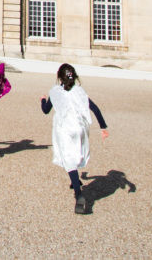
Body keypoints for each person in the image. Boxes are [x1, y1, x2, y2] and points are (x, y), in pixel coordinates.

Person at [41, 63, 109, 214]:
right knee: (75, 155)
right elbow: (95, 108)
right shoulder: (79, 91)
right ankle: (75, 180)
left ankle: (79, 195)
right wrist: (103, 127)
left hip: (65, 128)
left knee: (68, 158)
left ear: (59, 78)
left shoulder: (55, 92)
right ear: (74, 76)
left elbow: (46, 110)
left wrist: (42, 100)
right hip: (79, 127)